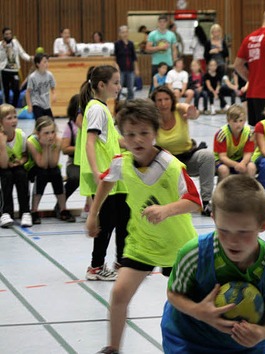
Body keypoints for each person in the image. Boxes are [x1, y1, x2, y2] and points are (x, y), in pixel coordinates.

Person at [88, 99, 201, 354]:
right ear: (122, 136)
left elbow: (196, 201)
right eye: (130, 134)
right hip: (142, 244)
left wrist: (165, 210)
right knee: (119, 294)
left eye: (143, 133)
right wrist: (93, 214)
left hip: (178, 246)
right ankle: (113, 348)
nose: (137, 139)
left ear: (155, 133)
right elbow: (106, 181)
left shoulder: (171, 166)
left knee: (186, 305)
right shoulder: (122, 162)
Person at [160, 174, 265, 353]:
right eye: (224, 230)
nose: (232, 241)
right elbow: (174, 293)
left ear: (263, 225)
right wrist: (198, 311)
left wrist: (262, 332)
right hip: (188, 338)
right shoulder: (194, 254)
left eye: (243, 232)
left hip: (244, 346)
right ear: (214, 219)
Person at [78, 65, 129, 281]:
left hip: (113, 171)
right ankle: (96, 266)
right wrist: (98, 170)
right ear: (102, 85)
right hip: (105, 174)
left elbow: (112, 139)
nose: (119, 86)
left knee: (123, 215)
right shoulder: (98, 109)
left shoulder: (100, 108)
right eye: (115, 82)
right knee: (107, 221)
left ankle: (122, 261)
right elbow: (90, 142)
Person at [152, 85, 215, 215]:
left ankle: (207, 202)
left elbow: (190, 111)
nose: (163, 103)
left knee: (207, 156)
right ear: (154, 102)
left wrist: (192, 112)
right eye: (159, 100)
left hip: (187, 158)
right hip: (167, 163)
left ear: (172, 100)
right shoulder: (152, 118)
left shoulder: (179, 110)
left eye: (166, 99)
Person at [25, 116, 75, 224]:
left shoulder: (57, 141)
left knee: (56, 172)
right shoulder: (31, 142)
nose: (50, 136)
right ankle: (34, 210)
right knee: (42, 174)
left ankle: (63, 209)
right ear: (38, 133)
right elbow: (41, 164)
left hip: (50, 167)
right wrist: (45, 147)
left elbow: (53, 163)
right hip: (34, 168)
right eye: (46, 133)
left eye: (52, 132)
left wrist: (50, 147)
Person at [0, 103, 32, 227]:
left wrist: (21, 162)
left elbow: (25, 155)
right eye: (9, 118)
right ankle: (6, 213)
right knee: (6, 176)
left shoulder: (21, 135)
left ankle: (25, 212)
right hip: (3, 167)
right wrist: (2, 145)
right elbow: (3, 165)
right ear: (1, 122)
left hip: (16, 166)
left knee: (21, 174)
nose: (14, 120)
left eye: (15, 117)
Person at [214, 104, 256, 181]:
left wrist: (243, 163)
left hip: (240, 160)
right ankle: (223, 191)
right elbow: (222, 157)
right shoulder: (222, 134)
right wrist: (237, 165)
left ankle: (247, 190)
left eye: (241, 121)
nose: (238, 124)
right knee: (224, 170)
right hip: (222, 161)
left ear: (245, 120)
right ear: (228, 121)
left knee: (251, 167)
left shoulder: (248, 133)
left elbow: (248, 153)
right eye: (235, 121)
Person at [1, 27, 31, 107]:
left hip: (14, 70)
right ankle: (7, 107)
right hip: (4, 70)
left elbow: (22, 53)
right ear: (3, 35)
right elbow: (1, 59)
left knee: (16, 90)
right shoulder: (0, 45)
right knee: (6, 91)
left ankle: (13, 106)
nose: (9, 36)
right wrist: (3, 49)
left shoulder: (15, 42)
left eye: (10, 34)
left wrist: (30, 58)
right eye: (6, 34)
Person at [147, 15, 178, 91]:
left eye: (164, 22)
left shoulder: (171, 35)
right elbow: (148, 48)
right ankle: (152, 101)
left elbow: (174, 50)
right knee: (155, 86)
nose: (162, 24)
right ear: (158, 23)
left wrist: (175, 63)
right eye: (160, 22)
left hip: (169, 63)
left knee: (169, 85)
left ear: (167, 23)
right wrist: (160, 48)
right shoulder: (152, 34)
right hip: (157, 63)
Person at [25, 53, 56, 119]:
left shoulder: (50, 75)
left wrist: (54, 95)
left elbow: (53, 87)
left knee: (51, 123)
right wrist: (29, 105)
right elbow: (28, 92)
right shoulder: (32, 77)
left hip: (46, 105)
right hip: (36, 104)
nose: (47, 63)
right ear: (38, 64)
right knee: (40, 123)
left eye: (47, 61)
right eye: (44, 62)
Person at [114, 25, 139, 101]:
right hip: (120, 70)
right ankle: (117, 103)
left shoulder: (131, 44)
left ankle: (130, 104)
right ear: (119, 34)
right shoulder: (117, 44)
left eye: (126, 32)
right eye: (123, 32)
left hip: (130, 69)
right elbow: (114, 58)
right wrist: (116, 68)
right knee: (119, 88)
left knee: (131, 88)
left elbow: (134, 57)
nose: (125, 34)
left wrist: (136, 69)